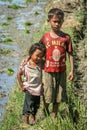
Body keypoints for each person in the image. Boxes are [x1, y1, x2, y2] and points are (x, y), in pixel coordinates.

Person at [39, 8, 74, 118]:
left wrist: (72, 70)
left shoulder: (66, 38)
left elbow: (70, 54)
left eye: (59, 21)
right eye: (54, 21)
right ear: (48, 21)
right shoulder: (45, 37)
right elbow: (37, 49)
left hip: (61, 71)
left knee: (59, 94)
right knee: (48, 93)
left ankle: (54, 114)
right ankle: (44, 111)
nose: (57, 24)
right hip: (48, 71)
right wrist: (30, 60)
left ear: (63, 21)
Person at [17, 42, 46, 127]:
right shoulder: (26, 65)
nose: (39, 58)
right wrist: (21, 85)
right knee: (28, 105)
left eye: (41, 56)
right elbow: (18, 75)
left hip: (38, 88)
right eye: (37, 55)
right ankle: (25, 122)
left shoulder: (41, 64)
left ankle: (33, 117)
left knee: (36, 105)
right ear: (31, 53)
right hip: (29, 88)